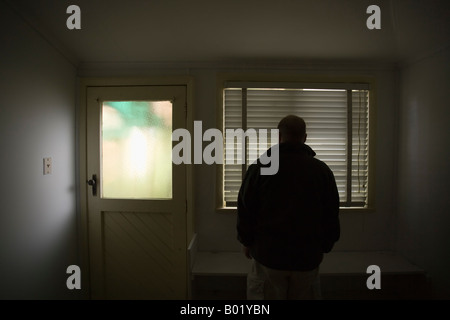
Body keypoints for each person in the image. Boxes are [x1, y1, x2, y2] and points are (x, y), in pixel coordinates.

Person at [237, 115, 340, 300]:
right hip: (307, 257)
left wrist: (247, 241)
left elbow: (245, 208)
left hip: (268, 256)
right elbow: (331, 213)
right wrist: (324, 246)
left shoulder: (260, 168)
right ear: (305, 137)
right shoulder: (322, 171)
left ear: (279, 136)